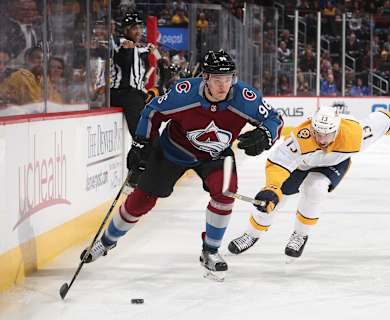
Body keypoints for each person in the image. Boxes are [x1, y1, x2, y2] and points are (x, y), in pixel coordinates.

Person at [80, 50, 284, 281]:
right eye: (218, 79)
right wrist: (141, 144)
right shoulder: (184, 93)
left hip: (216, 154)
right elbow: (152, 111)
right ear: (206, 78)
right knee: (141, 201)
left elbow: (274, 119)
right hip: (172, 151)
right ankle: (106, 241)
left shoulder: (246, 98)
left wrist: (266, 135)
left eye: (228, 79)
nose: (223, 86)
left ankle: (210, 250)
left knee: (225, 193)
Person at [228, 102, 390, 259]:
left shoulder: (355, 134)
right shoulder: (300, 138)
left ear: (337, 129)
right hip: (300, 165)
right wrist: (272, 188)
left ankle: (300, 235)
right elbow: (278, 163)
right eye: (317, 133)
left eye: (327, 134)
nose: (321, 140)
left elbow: (386, 120)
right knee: (273, 201)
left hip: (333, 164)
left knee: (316, 188)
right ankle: (251, 234)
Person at [110, 11, 155, 137]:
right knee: (140, 133)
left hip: (134, 93)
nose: (139, 31)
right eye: (135, 28)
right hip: (123, 93)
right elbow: (122, 52)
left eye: (140, 28)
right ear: (125, 30)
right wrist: (126, 50)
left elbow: (139, 49)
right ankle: (142, 151)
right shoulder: (122, 42)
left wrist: (149, 50)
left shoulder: (136, 47)